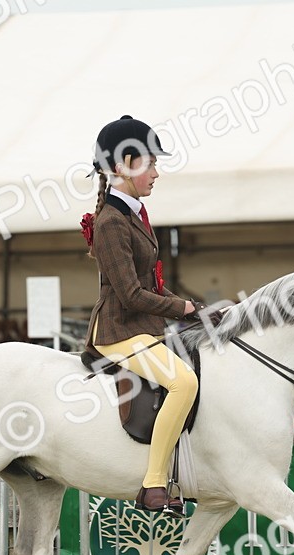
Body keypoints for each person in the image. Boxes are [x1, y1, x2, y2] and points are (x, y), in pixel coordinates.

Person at [80, 115, 212, 516]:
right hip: (119, 331)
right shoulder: (110, 223)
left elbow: (151, 286)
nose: (157, 173)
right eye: (150, 164)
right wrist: (182, 308)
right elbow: (132, 295)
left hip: (141, 326)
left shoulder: (134, 216)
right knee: (183, 383)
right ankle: (154, 484)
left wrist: (196, 311)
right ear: (121, 167)